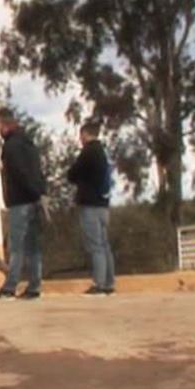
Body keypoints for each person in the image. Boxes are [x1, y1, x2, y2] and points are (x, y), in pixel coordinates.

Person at [0, 109, 47, 300]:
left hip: (19, 202)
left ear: (4, 125)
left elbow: (18, 173)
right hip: (34, 200)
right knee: (33, 247)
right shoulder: (29, 144)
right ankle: (34, 287)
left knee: (16, 247)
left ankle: (10, 287)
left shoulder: (11, 147)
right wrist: (40, 193)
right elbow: (38, 172)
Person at [67, 121, 115, 296]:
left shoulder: (88, 152)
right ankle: (109, 283)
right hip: (104, 205)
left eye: (81, 135)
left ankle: (99, 284)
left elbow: (72, 174)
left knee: (95, 246)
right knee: (104, 245)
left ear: (85, 134)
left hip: (90, 205)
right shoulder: (103, 153)